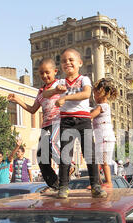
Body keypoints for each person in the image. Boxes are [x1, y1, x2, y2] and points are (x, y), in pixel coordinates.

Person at [43, 48, 106, 199]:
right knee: (65, 155)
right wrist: (54, 91)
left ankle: (96, 185)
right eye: (64, 61)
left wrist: (65, 98)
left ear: (79, 63)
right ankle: (63, 187)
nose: (67, 63)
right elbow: (44, 94)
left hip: (83, 120)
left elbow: (85, 94)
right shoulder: (60, 82)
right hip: (67, 121)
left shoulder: (84, 79)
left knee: (89, 154)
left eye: (71, 60)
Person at [8, 58, 61, 191]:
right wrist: (17, 100)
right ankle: (56, 185)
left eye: (47, 73)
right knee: (42, 158)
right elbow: (32, 109)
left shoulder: (60, 85)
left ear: (55, 71)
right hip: (45, 126)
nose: (44, 76)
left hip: (59, 122)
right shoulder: (41, 92)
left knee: (52, 146)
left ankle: (69, 165)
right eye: (41, 73)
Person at [91, 78, 118, 189]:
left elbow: (91, 115)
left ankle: (108, 181)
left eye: (96, 95)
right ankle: (97, 182)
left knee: (103, 162)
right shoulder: (101, 106)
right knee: (99, 161)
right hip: (102, 137)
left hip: (104, 137)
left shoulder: (102, 106)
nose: (94, 97)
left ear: (103, 94)